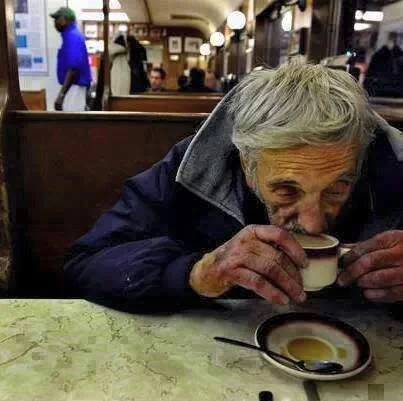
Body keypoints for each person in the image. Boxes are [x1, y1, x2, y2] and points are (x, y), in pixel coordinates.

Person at [64, 64, 403, 312]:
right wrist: (194, 274)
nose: (313, 225)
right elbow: (86, 263)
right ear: (247, 165)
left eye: (337, 188)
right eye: (287, 190)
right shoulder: (192, 170)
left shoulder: (390, 167)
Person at [50, 7, 91, 111]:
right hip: (73, 88)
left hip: (74, 88)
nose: (54, 23)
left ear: (63, 20)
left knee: (71, 120)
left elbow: (73, 68)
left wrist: (61, 95)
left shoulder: (72, 36)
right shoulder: (71, 35)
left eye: (56, 19)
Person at [364, 32, 403, 97]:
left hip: (380, 90)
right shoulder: (399, 56)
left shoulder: (378, 55)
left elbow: (369, 75)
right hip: (396, 91)